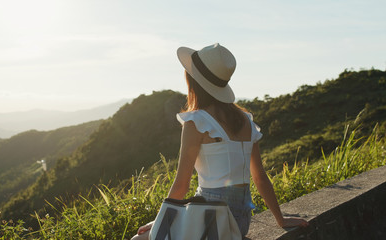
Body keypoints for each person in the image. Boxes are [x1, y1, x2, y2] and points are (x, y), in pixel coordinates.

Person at [131, 43, 308, 240]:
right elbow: (260, 177)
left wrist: (161, 221)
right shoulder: (247, 121)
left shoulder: (196, 121)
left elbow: (181, 184)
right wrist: (281, 219)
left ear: (194, 81)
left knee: (138, 239)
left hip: (210, 219)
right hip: (239, 223)